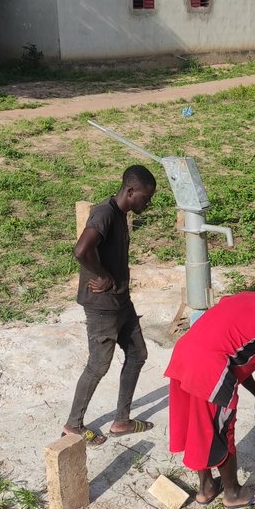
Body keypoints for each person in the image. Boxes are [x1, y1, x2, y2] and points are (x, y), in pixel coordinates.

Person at [164, 266, 255, 509]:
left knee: (199, 425)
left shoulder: (242, 297)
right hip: (209, 369)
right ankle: (233, 493)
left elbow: (234, 355)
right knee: (220, 431)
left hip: (183, 357)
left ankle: (206, 487)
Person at [63, 165, 157, 446]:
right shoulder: (105, 214)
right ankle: (73, 425)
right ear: (130, 191)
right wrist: (102, 275)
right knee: (98, 365)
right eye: (146, 197)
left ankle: (122, 421)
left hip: (121, 301)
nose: (148, 203)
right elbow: (81, 250)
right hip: (102, 305)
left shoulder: (120, 215)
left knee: (138, 354)